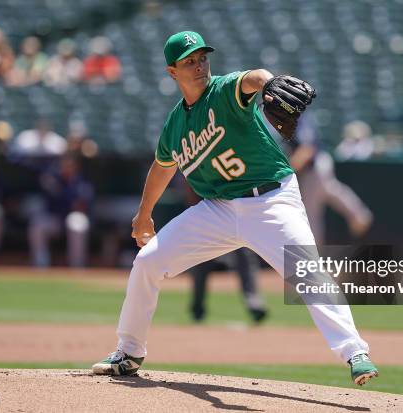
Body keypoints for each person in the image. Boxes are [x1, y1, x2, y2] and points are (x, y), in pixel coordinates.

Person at [92, 31, 377, 385]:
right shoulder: (175, 126)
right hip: (219, 210)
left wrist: (271, 81)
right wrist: (144, 214)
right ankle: (129, 351)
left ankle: (355, 352)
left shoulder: (223, 90)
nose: (199, 66)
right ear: (171, 72)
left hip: (272, 200)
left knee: (306, 270)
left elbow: (254, 77)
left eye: (202, 58)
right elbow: (163, 166)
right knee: (148, 261)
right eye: (189, 62)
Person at [182, 184, 267, 323]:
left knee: (245, 256)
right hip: (206, 210)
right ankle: (197, 307)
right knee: (200, 259)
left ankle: (253, 302)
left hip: (236, 210)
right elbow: (190, 186)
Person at [288, 114, 373, 243]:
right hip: (318, 164)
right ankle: (359, 215)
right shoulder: (296, 117)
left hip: (314, 166)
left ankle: (312, 255)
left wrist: (288, 171)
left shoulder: (298, 118)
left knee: (310, 213)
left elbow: (307, 150)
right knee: (330, 189)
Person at [28, 156, 94, 267]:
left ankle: (76, 264)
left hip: (71, 218)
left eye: (70, 166)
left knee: (77, 223)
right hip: (56, 219)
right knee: (37, 224)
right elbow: (49, 202)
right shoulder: (54, 180)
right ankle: (40, 263)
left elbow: (80, 206)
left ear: (76, 167)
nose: (66, 168)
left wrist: (62, 194)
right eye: (64, 166)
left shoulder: (82, 183)